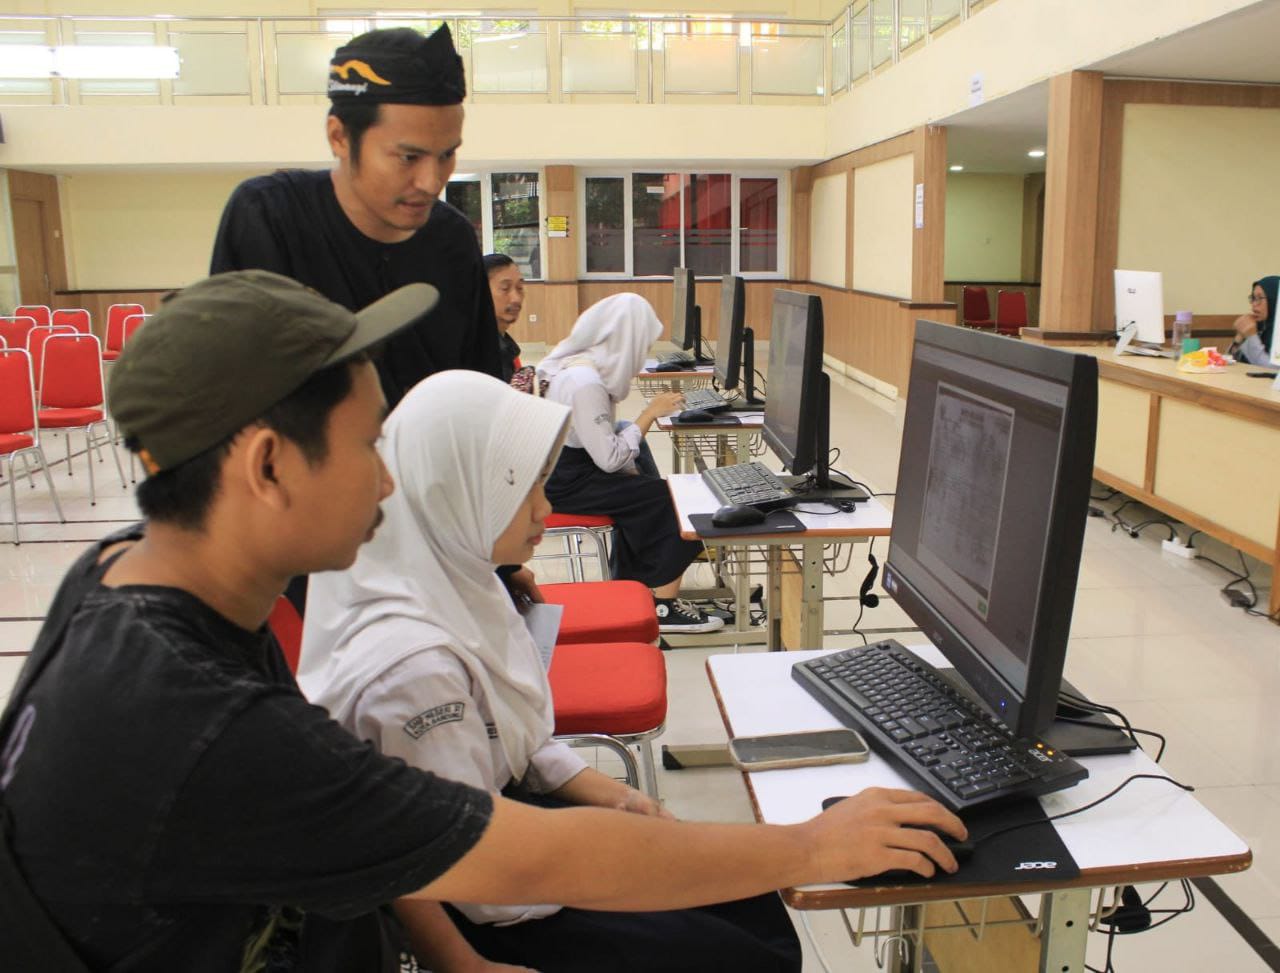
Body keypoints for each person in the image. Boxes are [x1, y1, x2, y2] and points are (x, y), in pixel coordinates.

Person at [0, 270, 967, 972]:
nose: (390, 480)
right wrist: (810, 847)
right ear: (266, 467)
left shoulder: (123, 579)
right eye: (364, 446)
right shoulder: (205, 726)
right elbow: (529, 860)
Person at [298, 370, 802, 972]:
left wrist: (609, 795)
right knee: (740, 952)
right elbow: (479, 887)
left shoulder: (461, 579)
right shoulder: (413, 670)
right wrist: (621, 868)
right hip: (491, 911)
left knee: (748, 904)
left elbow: (512, 741)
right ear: (458, 490)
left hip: (502, 834)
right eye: (525, 488)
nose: (547, 507)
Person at [210, 24, 502, 407]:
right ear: (340, 137)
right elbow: (231, 391)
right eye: (409, 157)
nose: (432, 182)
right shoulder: (270, 217)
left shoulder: (452, 238)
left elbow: (479, 384)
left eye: (447, 154)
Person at [538, 293, 722, 634]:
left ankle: (635, 585)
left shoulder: (578, 364)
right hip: (568, 482)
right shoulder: (585, 384)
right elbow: (609, 460)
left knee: (646, 491)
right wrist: (648, 416)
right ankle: (663, 607)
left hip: (563, 470)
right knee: (678, 502)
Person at [484, 253, 527, 384]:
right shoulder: (479, 354)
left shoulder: (507, 348)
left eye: (519, 288)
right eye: (505, 288)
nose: (516, 298)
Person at [1230, 275, 1279, 366]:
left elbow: (1273, 371)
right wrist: (1239, 337)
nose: (1254, 305)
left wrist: (1252, 336)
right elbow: (1228, 361)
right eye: (1253, 298)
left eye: (1260, 298)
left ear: (1275, 299)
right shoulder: (1260, 327)